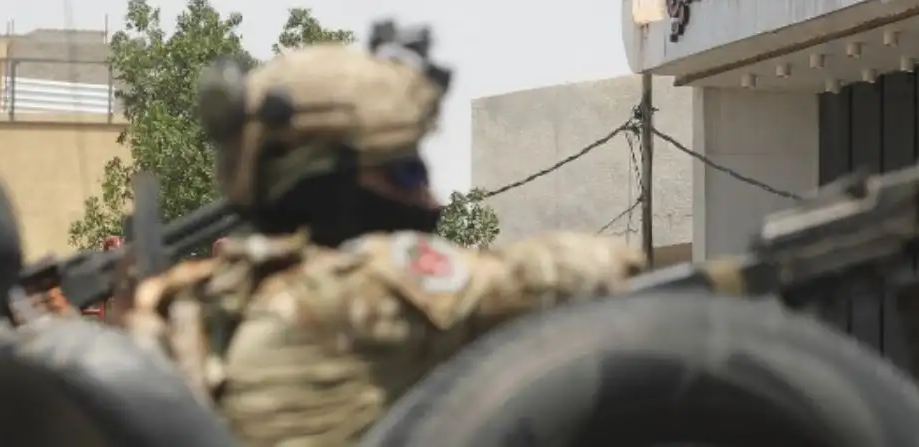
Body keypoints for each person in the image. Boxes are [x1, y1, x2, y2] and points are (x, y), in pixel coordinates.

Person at [119, 25, 643, 446]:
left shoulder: (197, 300)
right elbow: (590, 273)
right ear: (329, 180)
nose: (432, 200)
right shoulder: (365, 289)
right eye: (407, 174)